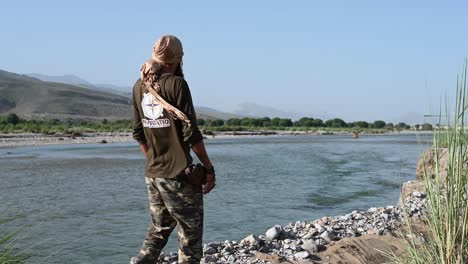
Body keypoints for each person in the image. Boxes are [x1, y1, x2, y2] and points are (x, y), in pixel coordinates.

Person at [130, 35, 216, 264]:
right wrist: (208, 168)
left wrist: (154, 159)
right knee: (190, 235)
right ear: (178, 58)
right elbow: (191, 134)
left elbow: (138, 133)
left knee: (159, 229)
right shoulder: (178, 84)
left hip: (153, 174)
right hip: (178, 175)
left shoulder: (139, 86)